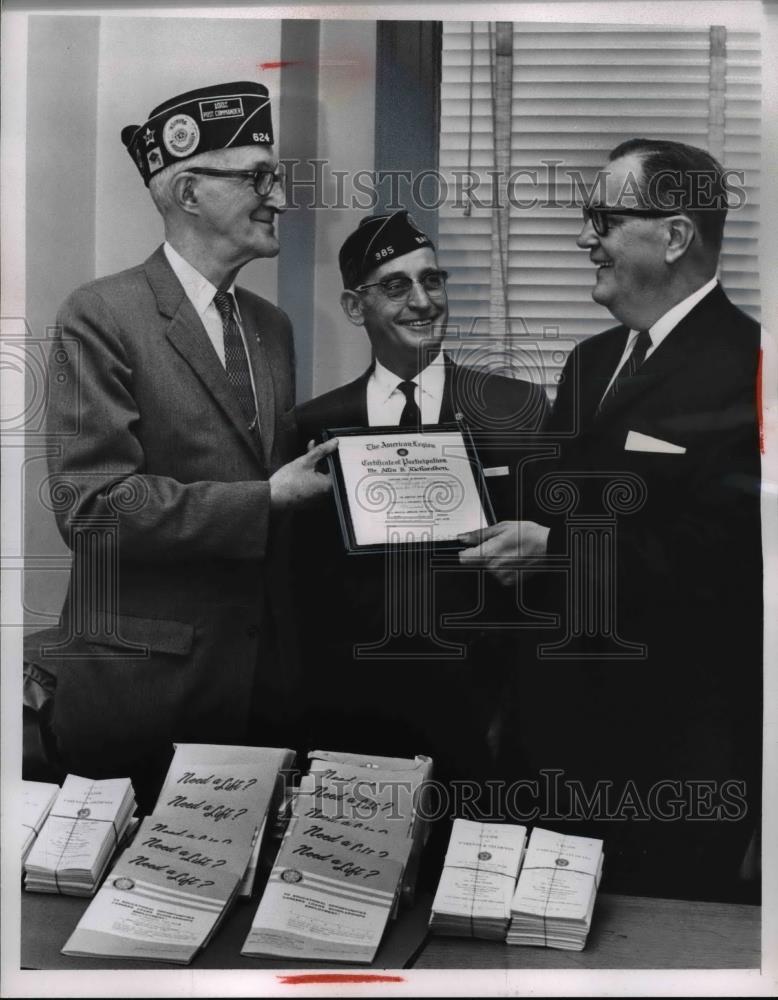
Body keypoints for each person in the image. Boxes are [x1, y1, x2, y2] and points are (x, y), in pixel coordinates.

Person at [460, 139, 763, 901]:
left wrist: (556, 549)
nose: (582, 238)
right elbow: (550, 506)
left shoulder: (754, 365)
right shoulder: (590, 362)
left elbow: (727, 562)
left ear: (674, 236)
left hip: (673, 761)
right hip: (550, 744)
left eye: (603, 217)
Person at [43, 82, 336, 809]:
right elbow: (93, 508)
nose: (278, 197)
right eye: (257, 178)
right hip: (139, 698)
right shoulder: (101, 314)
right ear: (189, 191)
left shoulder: (272, 327)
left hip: (257, 698)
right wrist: (264, 499)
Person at [294, 210, 548, 794]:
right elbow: (298, 589)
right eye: (396, 285)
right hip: (350, 714)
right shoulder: (314, 425)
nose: (421, 301)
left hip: (481, 713)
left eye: (432, 281)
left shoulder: (519, 410)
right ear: (356, 307)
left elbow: (544, 576)